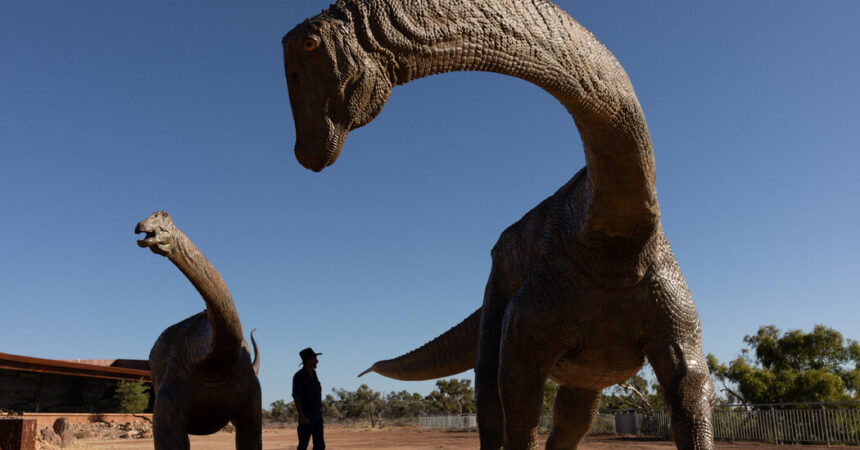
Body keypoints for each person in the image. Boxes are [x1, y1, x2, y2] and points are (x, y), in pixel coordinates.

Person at [293, 347, 325, 450]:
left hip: (317, 416)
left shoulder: (314, 374)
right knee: (303, 445)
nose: (317, 361)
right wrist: (302, 416)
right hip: (307, 417)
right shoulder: (299, 376)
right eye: (315, 358)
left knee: (320, 446)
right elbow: (296, 396)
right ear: (308, 360)